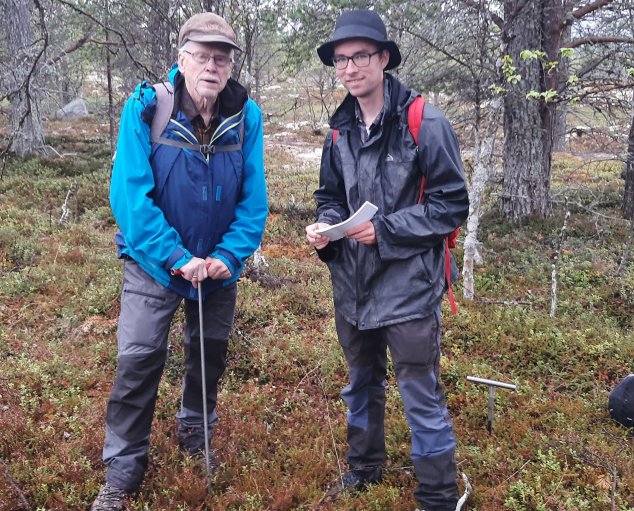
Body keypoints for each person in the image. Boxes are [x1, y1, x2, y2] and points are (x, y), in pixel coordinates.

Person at [91, 12, 268, 510]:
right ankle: (123, 466)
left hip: (215, 268)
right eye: (203, 55)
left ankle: (195, 429)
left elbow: (254, 201)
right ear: (182, 57)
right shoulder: (147, 107)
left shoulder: (245, 116)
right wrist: (174, 256)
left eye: (222, 57)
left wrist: (228, 257)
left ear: (231, 66)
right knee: (139, 360)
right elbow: (129, 196)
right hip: (154, 263)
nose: (213, 65)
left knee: (208, 353)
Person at [305, 9, 469, 511]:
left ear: (383, 59)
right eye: (340, 59)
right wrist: (325, 228)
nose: (349, 68)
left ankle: (438, 496)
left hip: (410, 288)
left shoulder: (425, 122)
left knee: (420, 392)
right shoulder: (339, 132)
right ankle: (364, 469)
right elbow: (329, 194)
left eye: (359, 56)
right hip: (353, 286)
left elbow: (451, 205)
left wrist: (387, 230)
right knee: (360, 382)